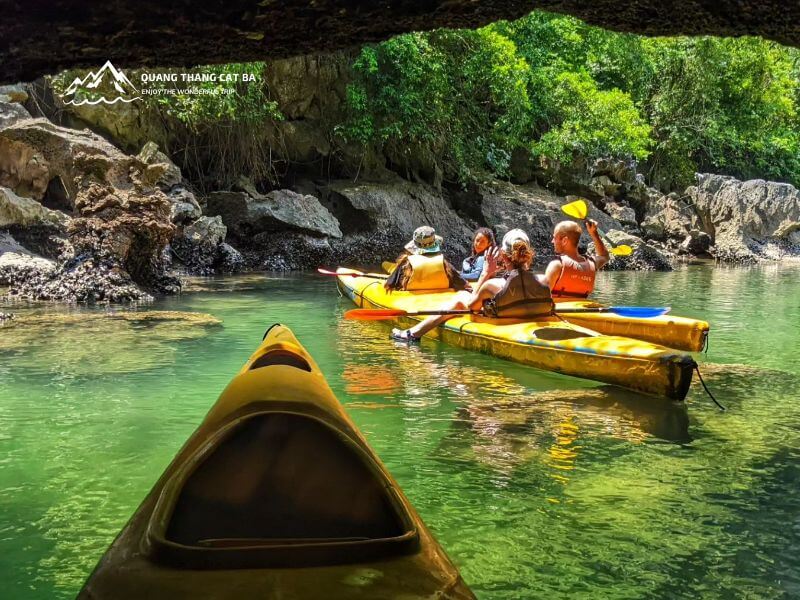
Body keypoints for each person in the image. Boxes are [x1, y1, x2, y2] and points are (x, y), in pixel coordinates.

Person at [391, 229, 553, 341]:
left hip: (502, 319)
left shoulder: (493, 285)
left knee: (462, 298)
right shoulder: (544, 280)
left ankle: (414, 334)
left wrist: (486, 272)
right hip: (532, 318)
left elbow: (472, 306)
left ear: (503, 254)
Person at [384, 226, 467, 292]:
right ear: (435, 244)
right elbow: (464, 284)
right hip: (441, 301)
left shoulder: (406, 263)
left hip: (411, 302)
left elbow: (388, 285)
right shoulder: (443, 263)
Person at [544, 220, 609, 299]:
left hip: (559, 310)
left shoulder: (556, 265)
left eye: (554, 238)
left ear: (564, 240)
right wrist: (594, 234)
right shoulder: (592, 264)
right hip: (582, 310)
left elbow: (542, 297)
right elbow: (605, 256)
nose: (552, 241)